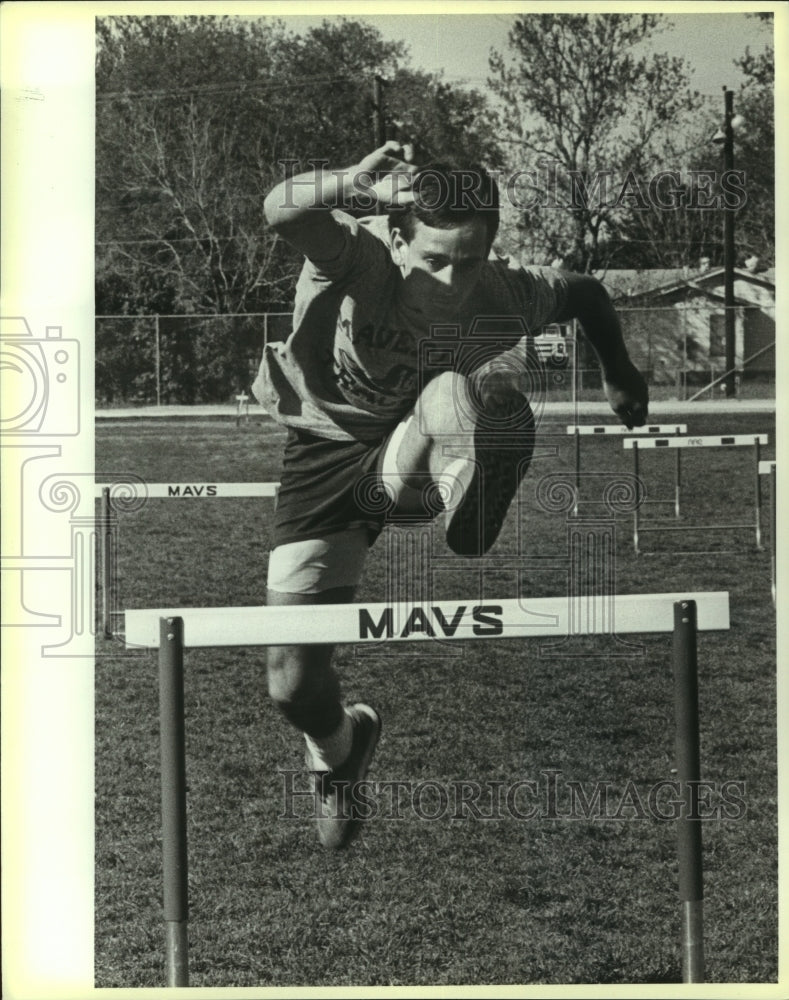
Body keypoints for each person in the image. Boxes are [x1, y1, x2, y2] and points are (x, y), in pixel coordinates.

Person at [255, 142, 648, 849]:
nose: (452, 280)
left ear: (490, 247)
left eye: (468, 262)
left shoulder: (503, 288)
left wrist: (618, 371)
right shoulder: (356, 256)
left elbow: (583, 291)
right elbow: (279, 207)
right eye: (435, 260)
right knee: (289, 682)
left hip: (414, 439)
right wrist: (345, 180)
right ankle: (338, 748)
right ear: (398, 236)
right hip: (324, 449)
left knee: (452, 391)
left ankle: (468, 473)